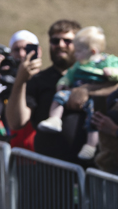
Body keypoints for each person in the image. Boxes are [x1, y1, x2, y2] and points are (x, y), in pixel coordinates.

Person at [38, 27, 118, 161]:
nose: (75, 54)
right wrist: (62, 83)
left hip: (94, 100)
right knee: (59, 96)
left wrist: (111, 72)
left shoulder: (108, 61)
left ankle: (91, 144)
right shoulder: (78, 65)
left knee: (93, 118)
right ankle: (55, 119)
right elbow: (68, 75)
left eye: (79, 51)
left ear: (92, 51)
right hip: (74, 93)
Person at [4, 19, 80, 155]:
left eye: (67, 40)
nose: (60, 45)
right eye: (55, 41)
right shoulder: (38, 80)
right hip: (48, 168)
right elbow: (16, 122)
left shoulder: (93, 77)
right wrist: (20, 81)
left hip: (89, 168)